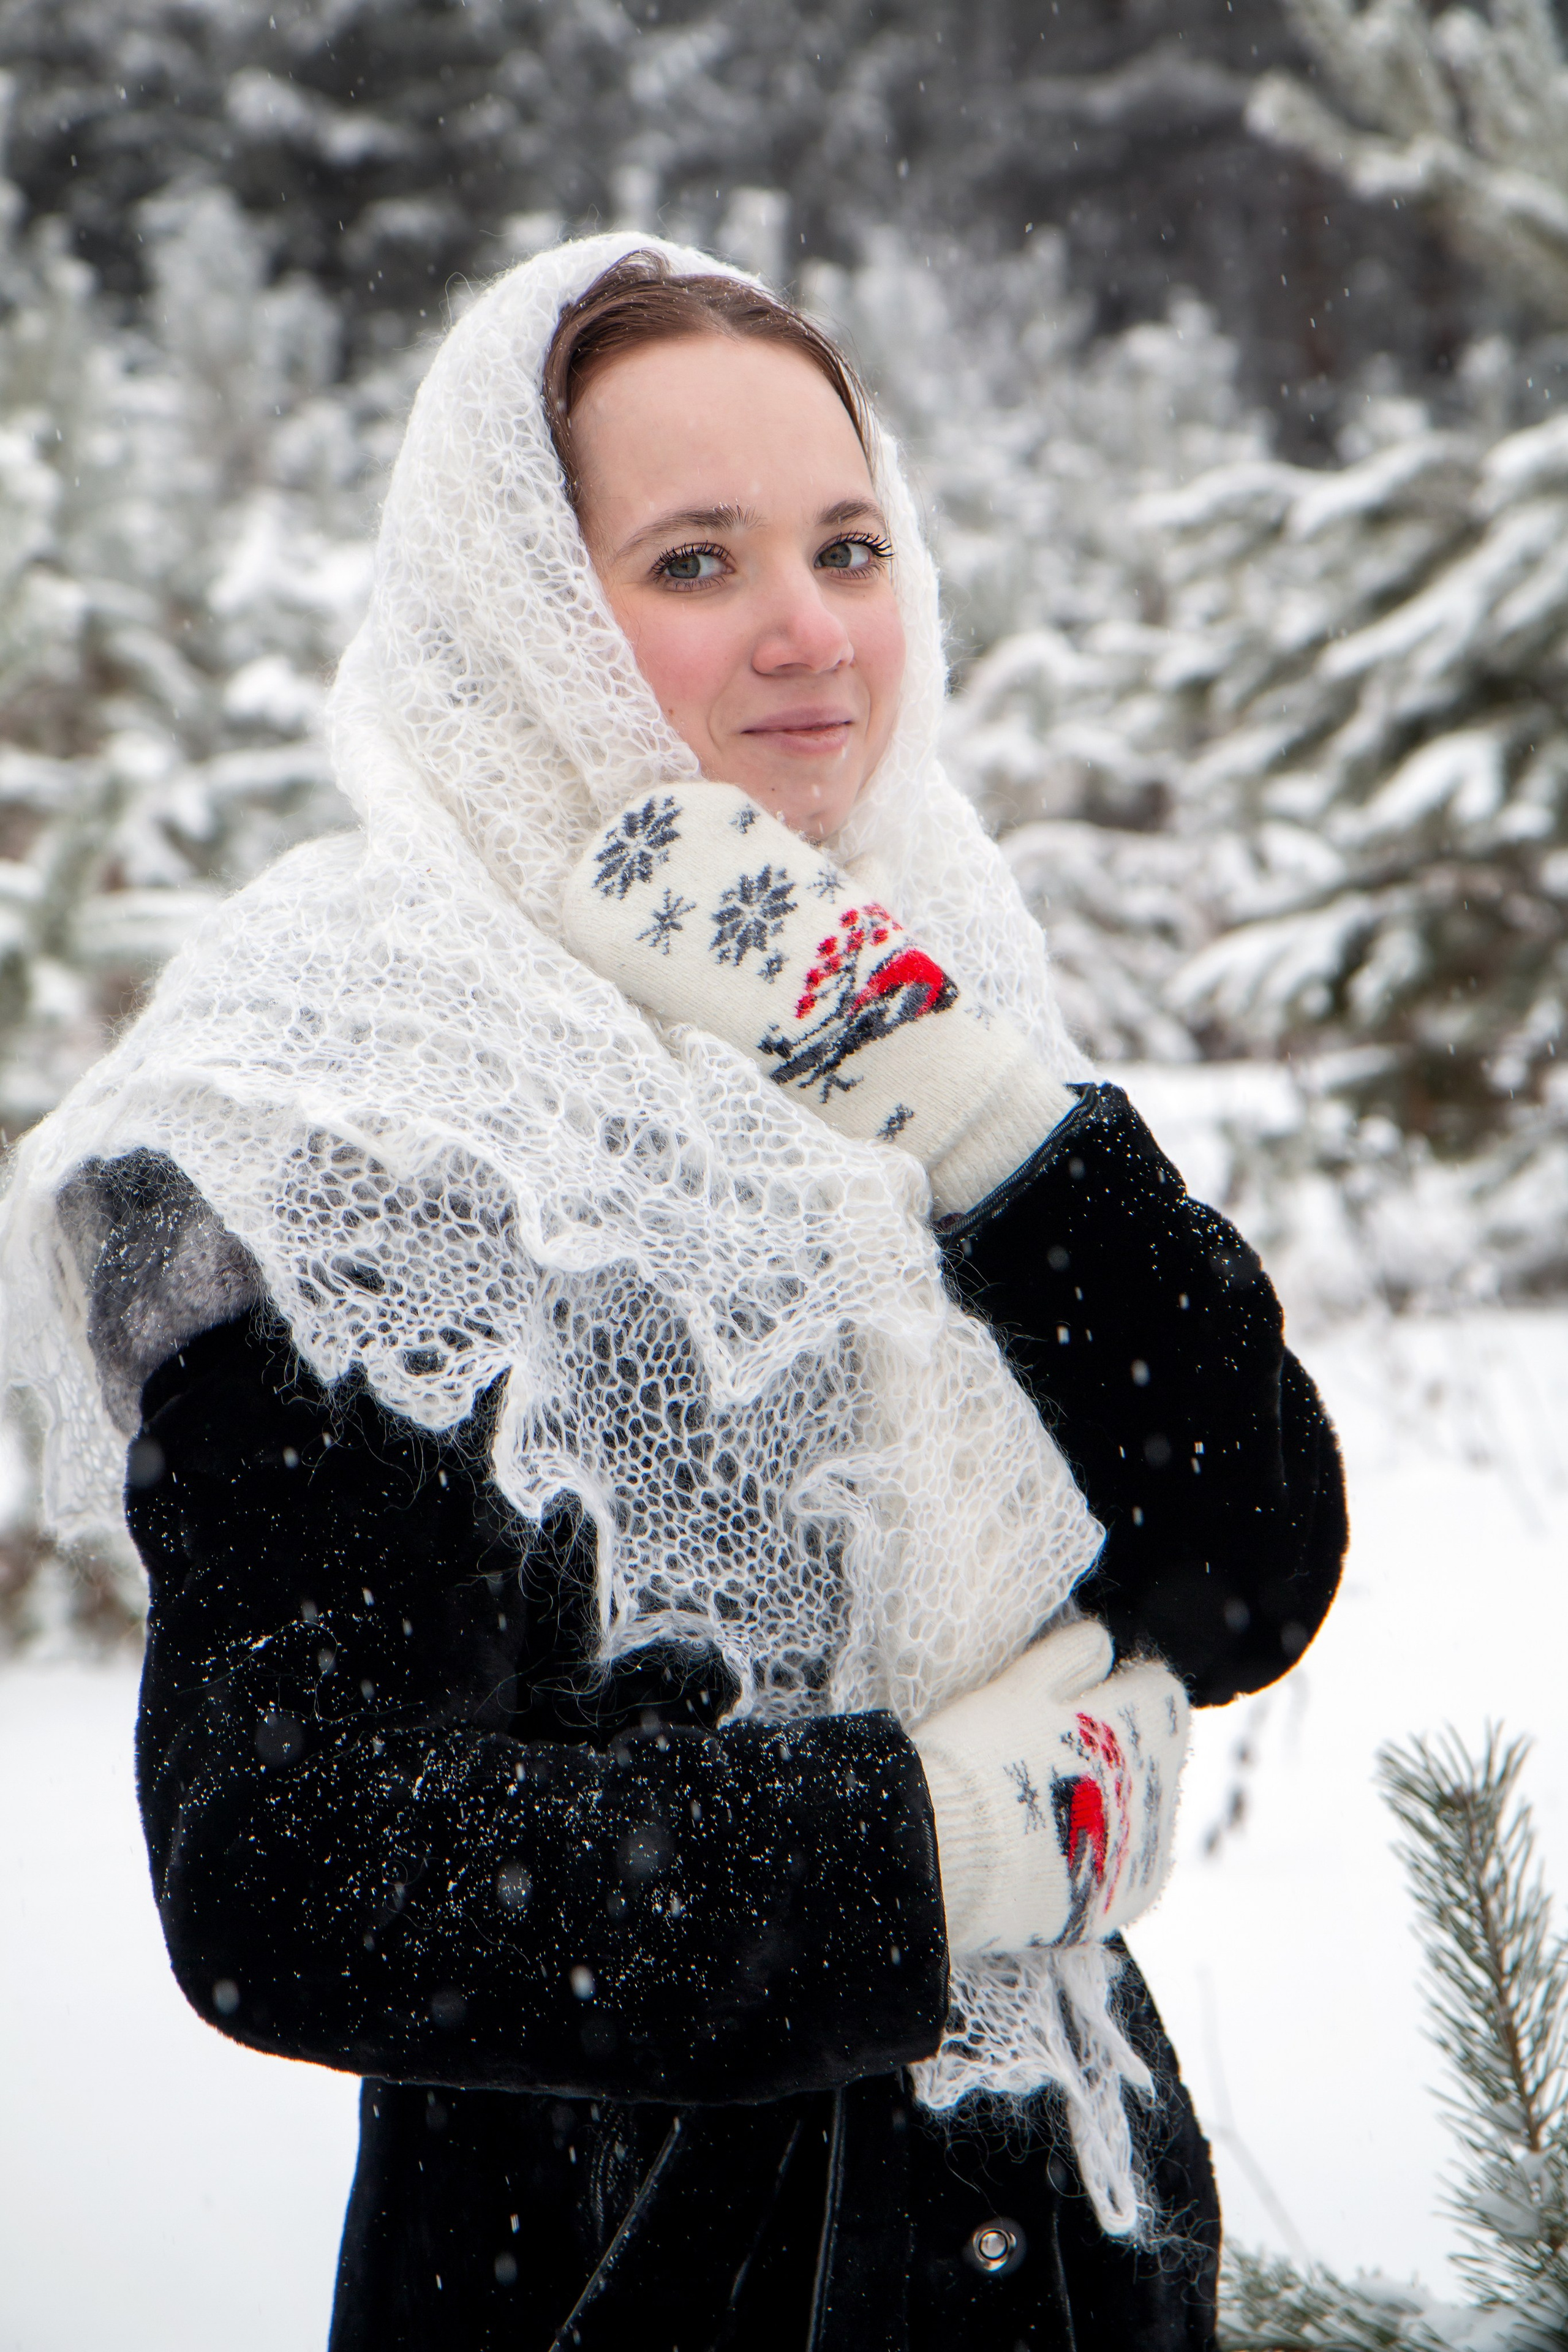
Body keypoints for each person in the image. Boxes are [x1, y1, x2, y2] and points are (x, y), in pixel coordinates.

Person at [0, 236, 1346, 2352]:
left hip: (1062, 2251)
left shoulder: (922, 963)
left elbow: (1244, 1567)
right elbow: (286, 1868)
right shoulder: (330, 1114)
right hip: (619, 2279)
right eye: (697, 563)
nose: (814, 637)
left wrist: (972, 1102)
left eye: (848, 543)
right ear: (517, 615)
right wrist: (930, 1851)